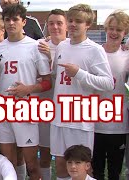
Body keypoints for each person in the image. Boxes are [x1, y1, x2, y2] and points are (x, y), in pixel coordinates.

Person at [50, 4, 114, 180]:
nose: (73, 24)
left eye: (78, 21)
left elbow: (108, 83)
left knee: (82, 168)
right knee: (61, 166)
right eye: (70, 20)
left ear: (88, 25)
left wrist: (79, 73)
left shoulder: (94, 49)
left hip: (80, 119)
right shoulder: (62, 46)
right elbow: (57, 77)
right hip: (59, 117)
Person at [0, 4, 51, 180]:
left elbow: (48, 82)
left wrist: (28, 89)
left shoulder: (35, 46)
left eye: (15, 19)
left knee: (32, 165)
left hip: (25, 111)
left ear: (24, 22)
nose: (11, 23)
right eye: (7, 19)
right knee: (8, 165)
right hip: (3, 110)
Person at [92, 10, 129, 180]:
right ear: (106, 29)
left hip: (118, 122)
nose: (114, 33)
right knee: (96, 170)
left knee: (115, 172)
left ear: (125, 32)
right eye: (111, 28)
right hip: (95, 121)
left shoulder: (127, 55)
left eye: (119, 30)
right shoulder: (95, 52)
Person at [37, 9, 68, 180]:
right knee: (45, 151)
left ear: (66, 25)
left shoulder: (72, 45)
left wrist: (51, 59)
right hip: (45, 104)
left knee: (68, 153)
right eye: (51, 23)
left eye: (59, 23)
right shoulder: (40, 45)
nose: (55, 27)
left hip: (66, 109)